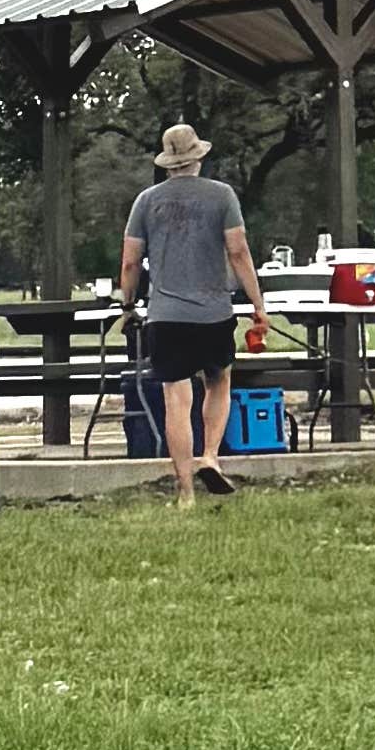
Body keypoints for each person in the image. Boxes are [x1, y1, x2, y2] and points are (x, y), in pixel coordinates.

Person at [120, 117, 263, 505]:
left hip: (165, 316)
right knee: (219, 383)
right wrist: (257, 304)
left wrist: (128, 301)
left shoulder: (145, 202)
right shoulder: (222, 196)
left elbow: (131, 262)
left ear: (166, 163)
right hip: (214, 312)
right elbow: (238, 251)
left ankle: (184, 492)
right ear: (198, 157)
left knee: (175, 400)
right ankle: (211, 457)